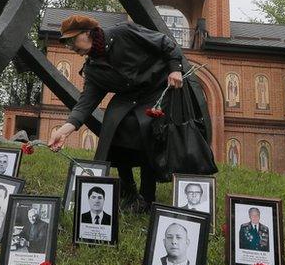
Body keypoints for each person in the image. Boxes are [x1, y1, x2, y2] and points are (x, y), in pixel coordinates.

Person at [46, 15, 192, 213]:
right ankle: (128, 188)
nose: (71, 47)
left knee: (147, 128)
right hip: (128, 96)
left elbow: (166, 43)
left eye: (72, 41)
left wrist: (175, 69)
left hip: (155, 89)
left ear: (87, 32)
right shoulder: (92, 69)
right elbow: (85, 104)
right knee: (113, 125)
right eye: (67, 44)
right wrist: (65, 130)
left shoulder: (124, 33)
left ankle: (147, 197)